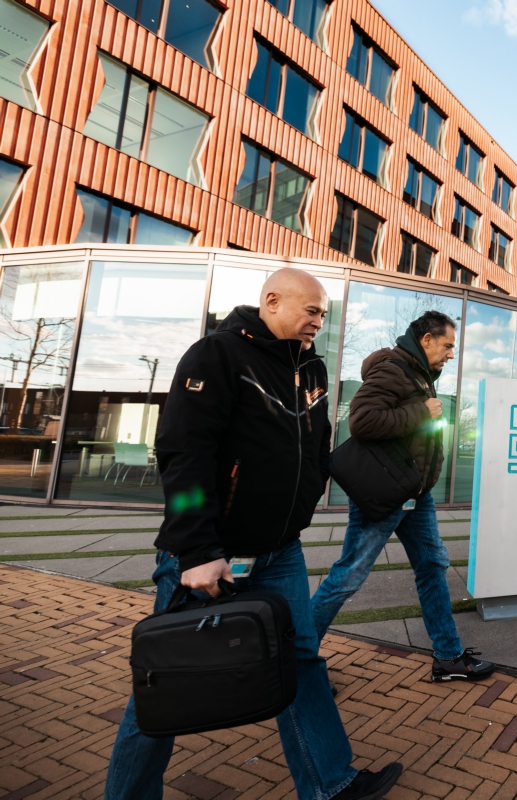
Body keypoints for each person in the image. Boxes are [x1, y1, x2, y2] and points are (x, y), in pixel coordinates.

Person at [104, 269, 402, 800]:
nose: (318, 321)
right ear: (271, 301)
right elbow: (183, 456)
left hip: (280, 550)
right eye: (311, 310)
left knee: (303, 658)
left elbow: (314, 449)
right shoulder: (215, 356)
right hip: (209, 554)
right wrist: (197, 549)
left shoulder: (310, 368)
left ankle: (330, 783)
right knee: (169, 677)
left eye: (323, 315)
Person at [310, 310, 495, 682]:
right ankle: (294, 659)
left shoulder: (420, 373)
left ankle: (447, 656)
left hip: (415, 494)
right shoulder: (394, 369)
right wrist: (420, 411)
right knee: (348, 576)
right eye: (447, 345)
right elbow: (362, 420)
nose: (451, 354)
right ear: (426, 340)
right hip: (388, 493)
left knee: (432, 565)